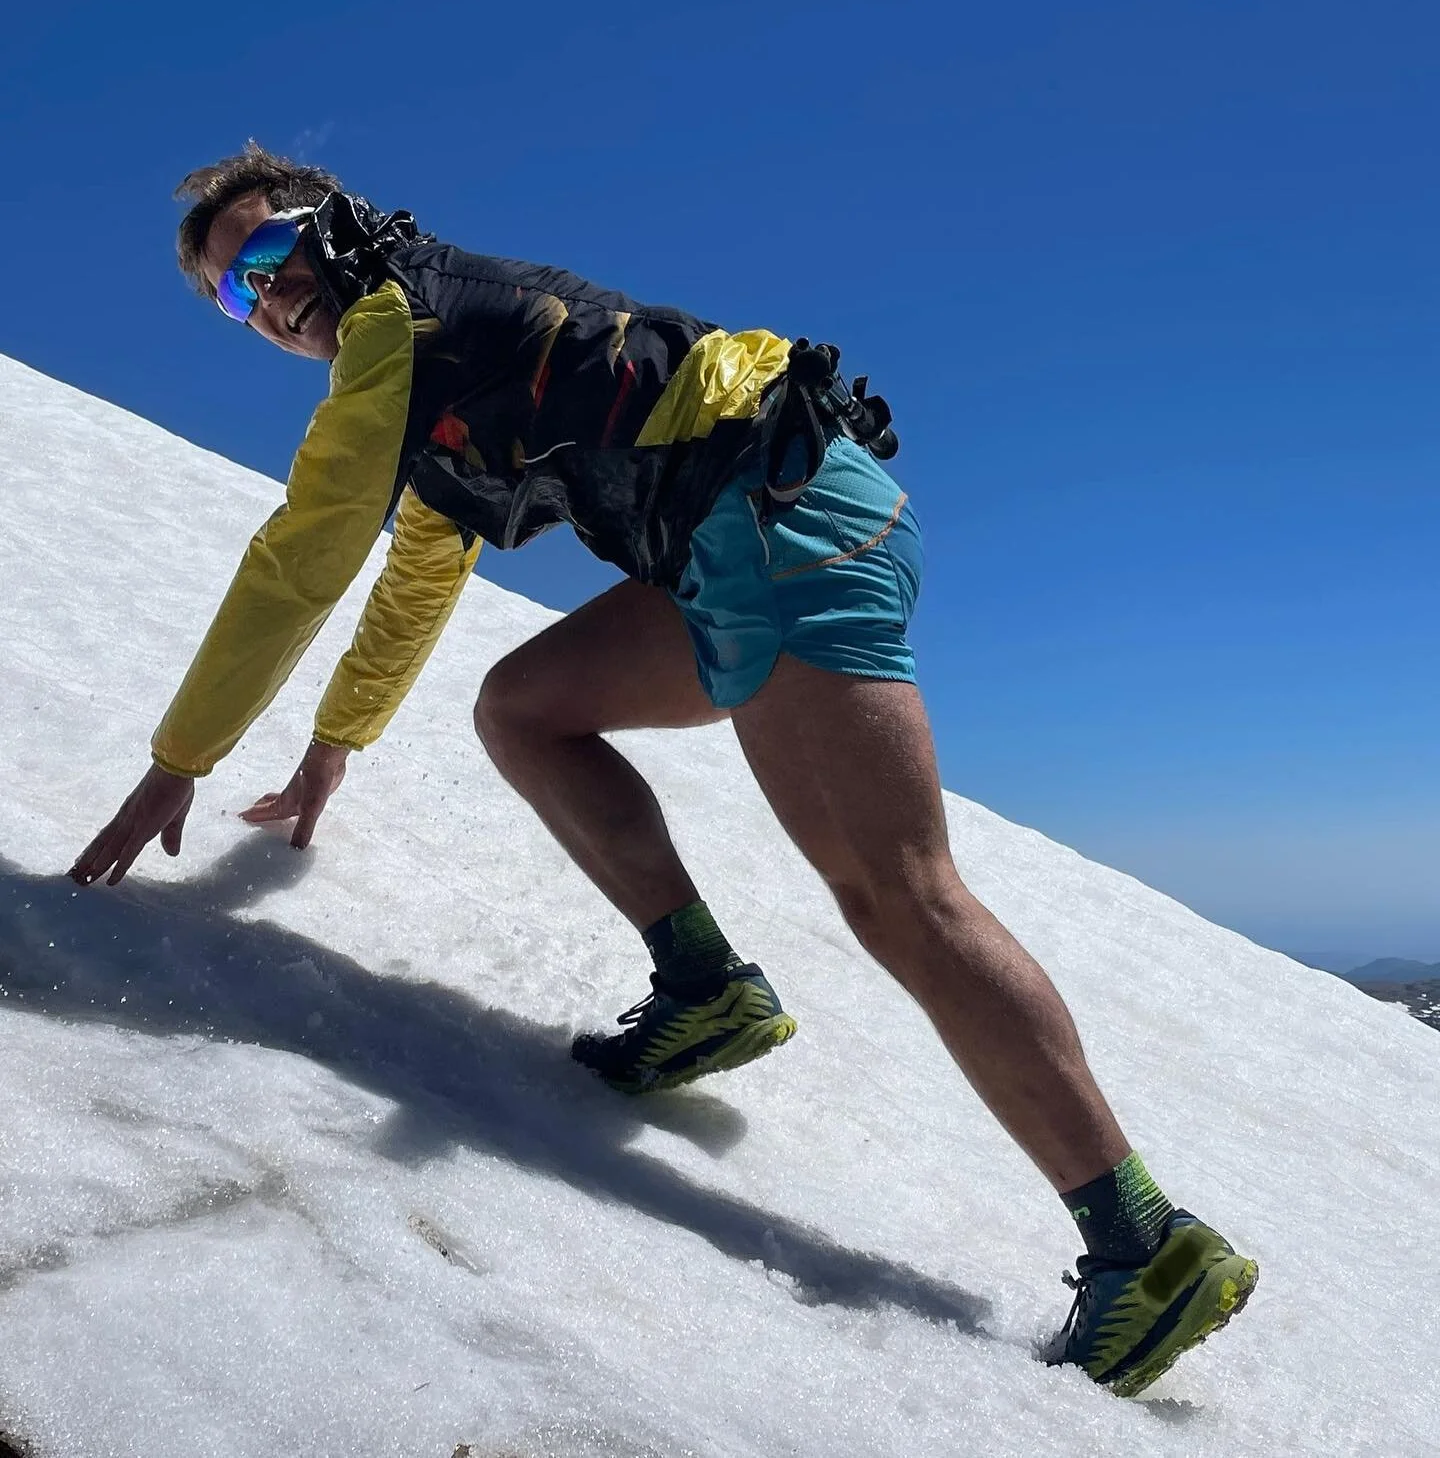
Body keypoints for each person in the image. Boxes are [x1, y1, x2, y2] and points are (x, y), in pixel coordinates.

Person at [71, 143, 1257, 1395]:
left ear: (339, 222)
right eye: (227, 295)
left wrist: (176, 762)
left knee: (900, 892)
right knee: (525, 706)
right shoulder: (422, 365)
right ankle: (704, 986)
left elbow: (302, 555)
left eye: (268, 252)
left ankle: (1145, 1245)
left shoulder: (393, 325)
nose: (263, 298)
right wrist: (332, 746)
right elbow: (419, 568)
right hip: (745, 538)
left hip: (777, 526)